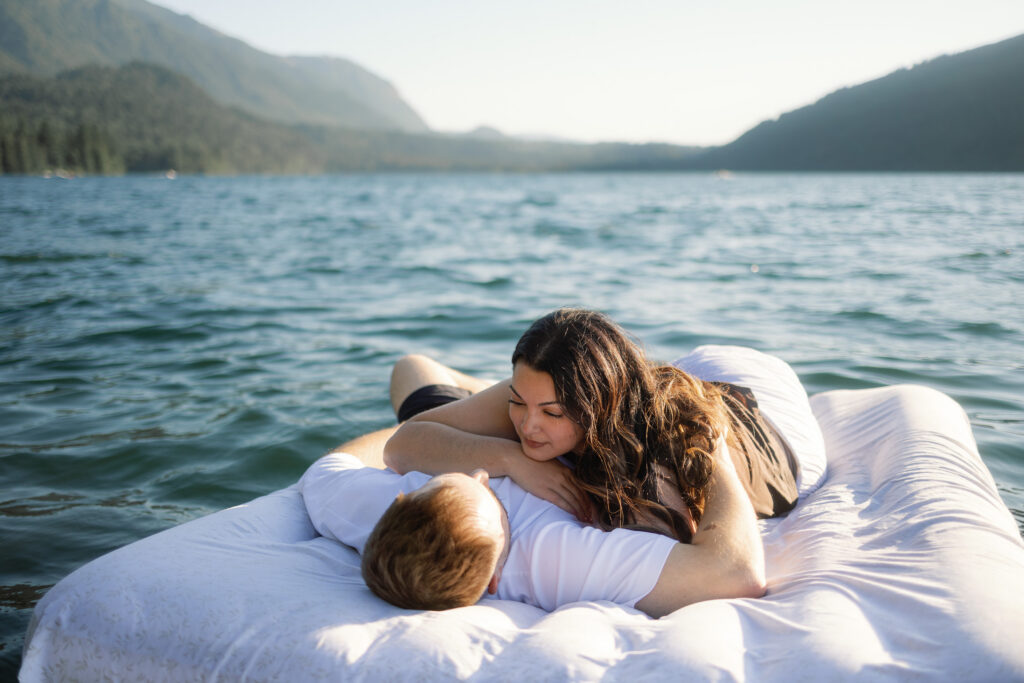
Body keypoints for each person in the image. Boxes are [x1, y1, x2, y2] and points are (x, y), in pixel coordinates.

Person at [383, 308, 826, 543]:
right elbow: (402, 444)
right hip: (650, 379)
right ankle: (482, 389)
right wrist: (510, 458)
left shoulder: (657, 468)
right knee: (411, 366)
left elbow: (718, 564)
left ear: (598, 408)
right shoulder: (542, 397)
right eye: (517, 402)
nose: (527, 425)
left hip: (758, 420)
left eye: (552, 413)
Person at [299, 418, 765, 617]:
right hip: (734, 427)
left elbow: (328, 469)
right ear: (497, 578)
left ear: (402, 502)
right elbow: (735, 574)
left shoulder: (367, 512)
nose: (482, 475)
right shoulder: (549, 558)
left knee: (410, 368)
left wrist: (409, 439)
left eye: (451, 479)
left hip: (480, 424)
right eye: (489, 496)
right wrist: (713, 450)